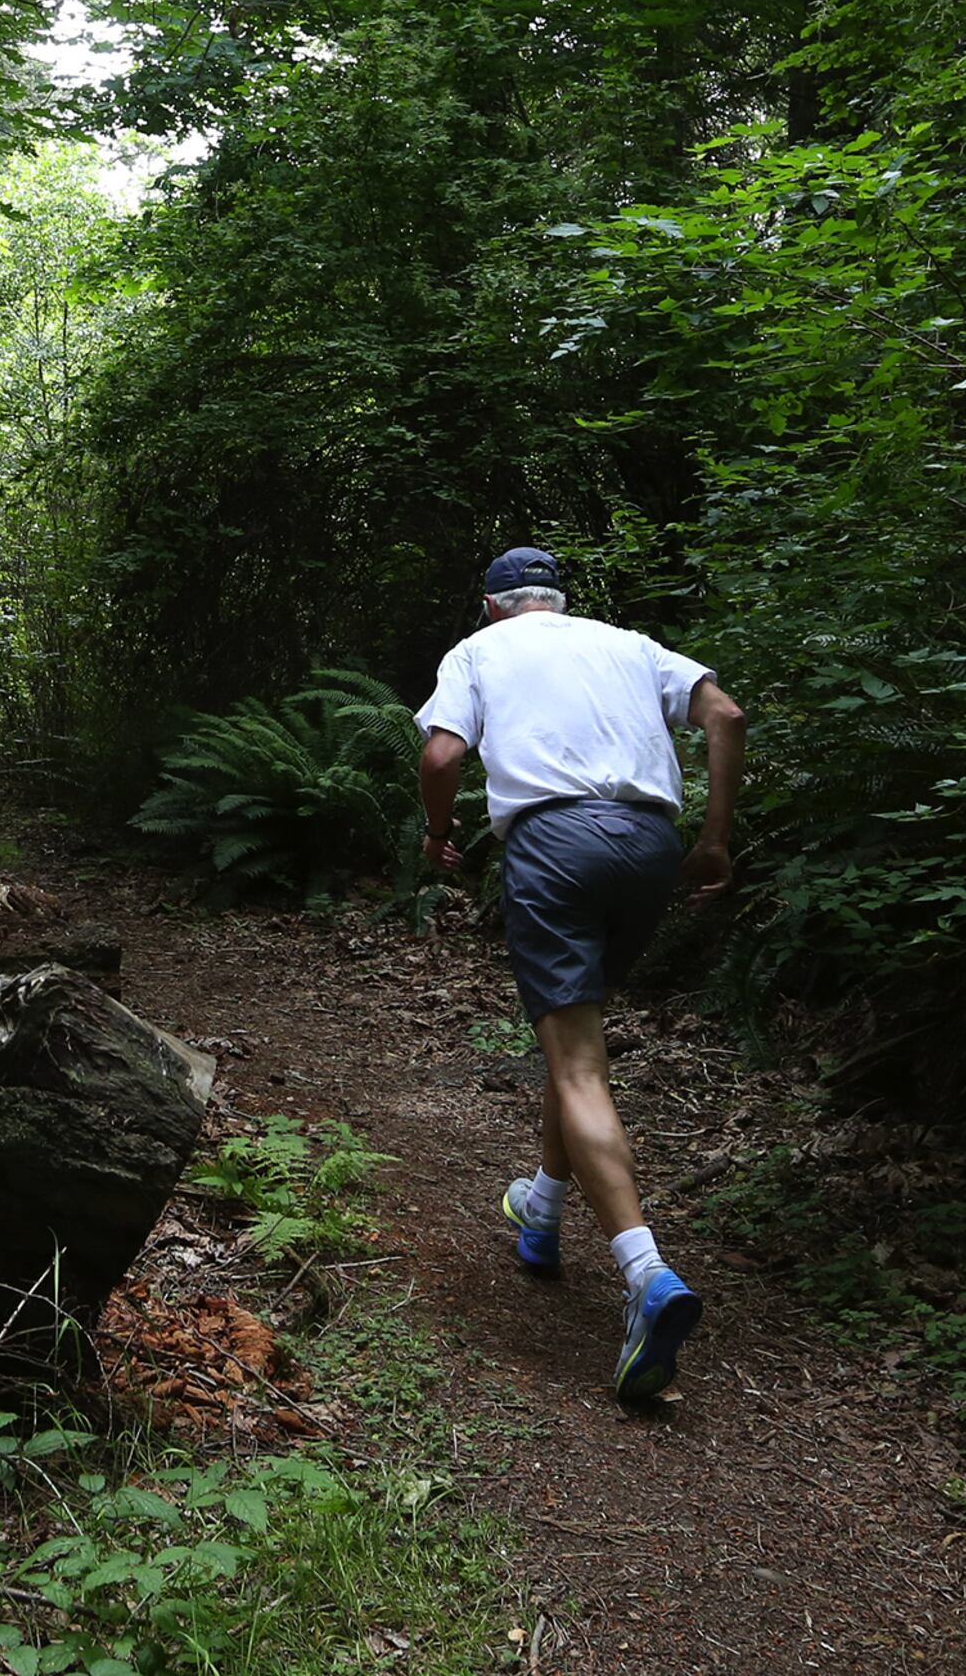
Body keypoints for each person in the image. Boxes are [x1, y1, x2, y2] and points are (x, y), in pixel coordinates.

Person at [415, 545, 743, 1405]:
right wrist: (712, 838)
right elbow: (727, 716)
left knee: (577, 1062)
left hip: (554, 845)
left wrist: (433, 835)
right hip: (648, 846)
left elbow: (443, 757)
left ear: (492, 607)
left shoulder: (479, 652)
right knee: (579, 1039)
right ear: (560, 601)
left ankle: (647, 1276)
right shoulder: (632, 644)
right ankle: (544, 1211)